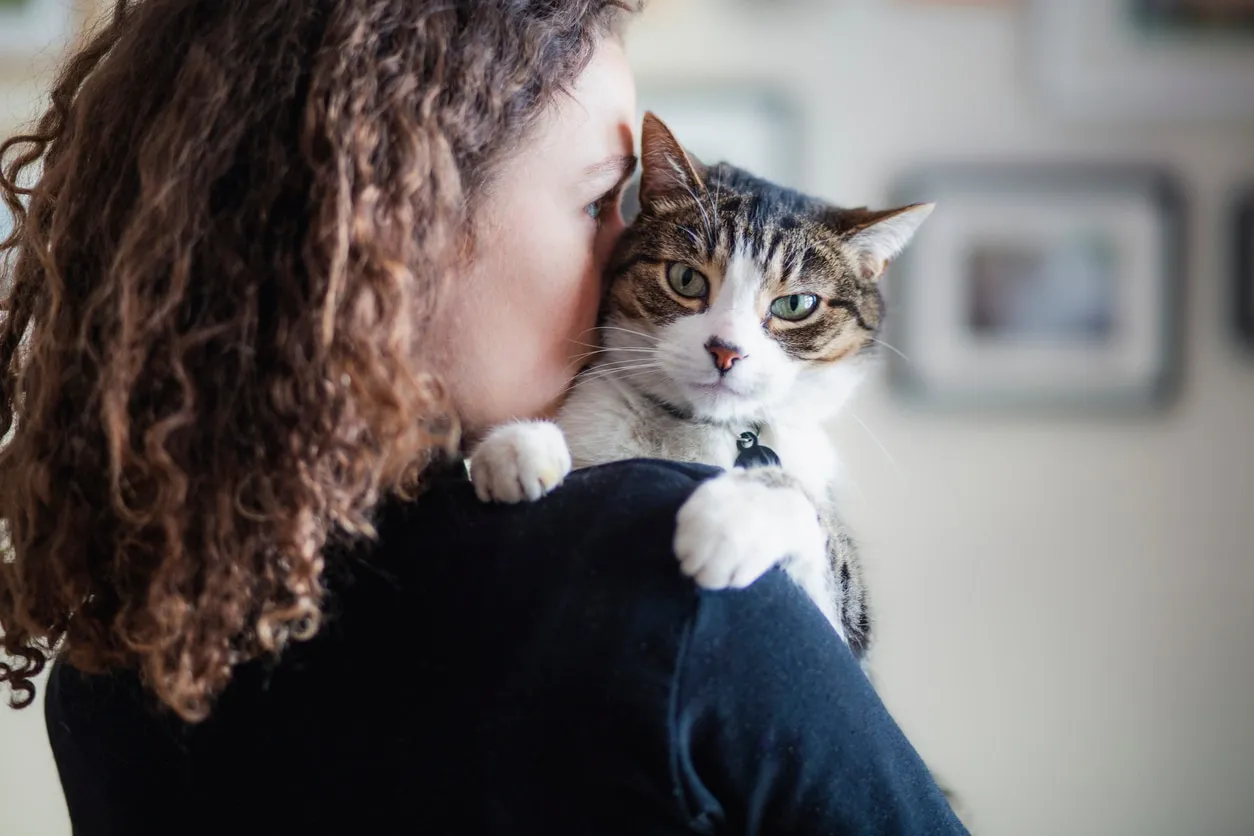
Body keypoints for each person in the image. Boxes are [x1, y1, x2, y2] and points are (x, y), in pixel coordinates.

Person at [0, 1, 968, 833]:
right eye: (603, 203)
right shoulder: (679, 576)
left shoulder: (118, 650)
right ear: (398, 237)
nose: (634, 247)